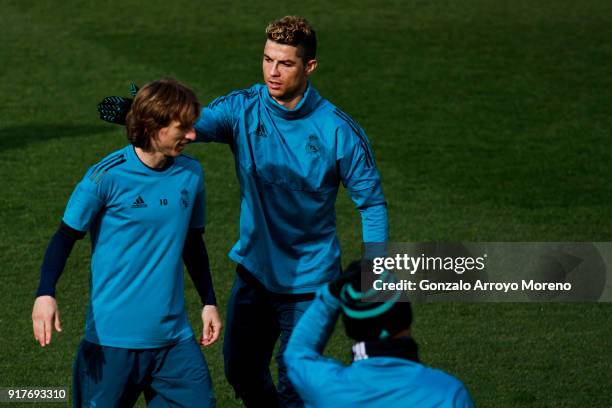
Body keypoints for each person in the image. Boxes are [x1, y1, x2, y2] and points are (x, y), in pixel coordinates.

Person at [97, 16, 388, 407]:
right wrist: (144, 114)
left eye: (285, 63)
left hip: (310, 283)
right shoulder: (243, 109)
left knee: (294, 383)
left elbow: (371, 202)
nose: (273, 71)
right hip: (254, 275)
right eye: (268, 59)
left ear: (309, 67)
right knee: (240, 371)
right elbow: (190, 127)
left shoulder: (338, 131)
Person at [33, 78, 220, 407]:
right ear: (154, 127)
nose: (192, 136)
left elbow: (192, 242)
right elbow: (65, 236)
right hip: (112, 342)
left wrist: (208, 301)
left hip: (174, 342)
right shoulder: (105, 177)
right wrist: (45, 293)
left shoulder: (192, 174)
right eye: (184, 127)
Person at [284, 261, 475, 407]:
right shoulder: (449, 394)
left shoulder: (325, 388)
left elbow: (296, 354)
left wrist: (330, 296)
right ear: (405, 316)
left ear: (352, 329)